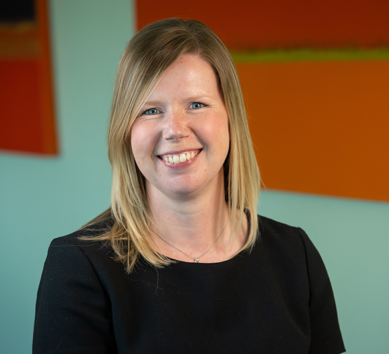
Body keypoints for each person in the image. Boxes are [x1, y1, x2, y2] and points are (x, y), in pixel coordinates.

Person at [33, 19, 345, 354]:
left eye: (196, 104)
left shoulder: (295, 255)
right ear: (126, 131)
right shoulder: (79, 268)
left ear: (230, 117)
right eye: (151, 110)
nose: (174, 130)